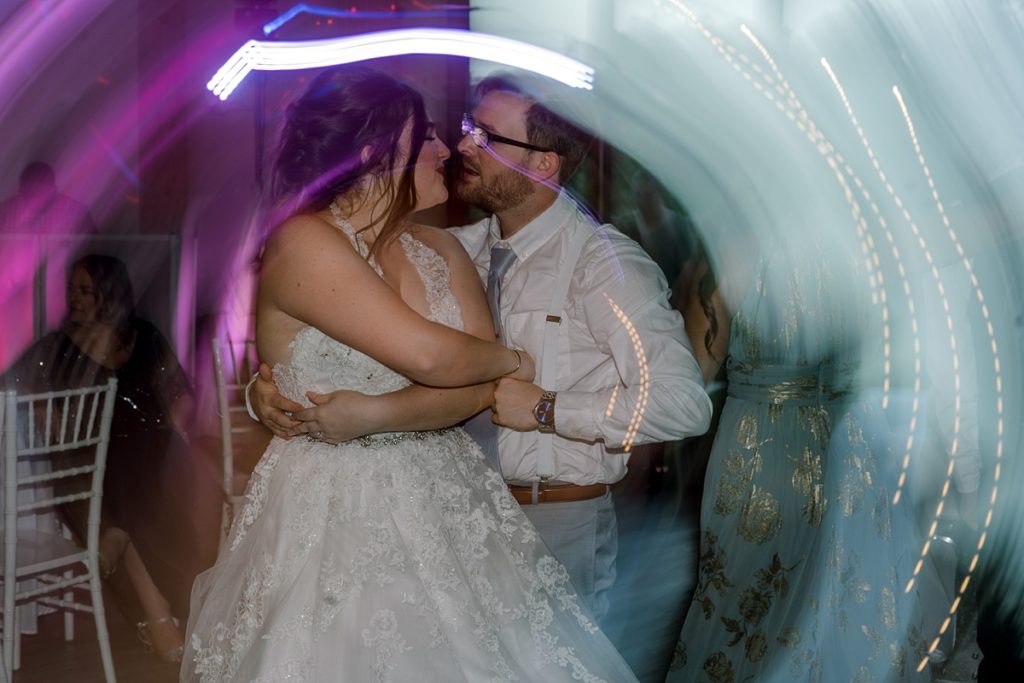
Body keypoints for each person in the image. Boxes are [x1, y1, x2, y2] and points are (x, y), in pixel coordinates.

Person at [181, 65, 639, 682]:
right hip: (335, 509)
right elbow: (435, 359)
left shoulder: (444, 248)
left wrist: (373, 413)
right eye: (425, 138)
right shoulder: (306, 241)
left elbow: (473, 388)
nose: (447, 150)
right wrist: (512, 358)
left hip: (447, 498)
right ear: (375, 153)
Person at [249, 75, 713, 629]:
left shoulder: (606, 266)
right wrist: (272, 388)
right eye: (470, 128)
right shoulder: (452, 247)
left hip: (554, 514)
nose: (463, 145)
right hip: (438, 515)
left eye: (488, 138)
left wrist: (549, 409)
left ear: (543, 165)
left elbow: (683, 402)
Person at [664, 240, 931, 682]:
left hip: (761, 454)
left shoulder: (734, 246)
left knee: (743, 613)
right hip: (856, 449)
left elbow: (689, 385)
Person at [3, 253, 207, 663]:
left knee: (161, 473)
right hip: (91, 463)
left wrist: (185, 421)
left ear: (109, 294)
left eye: (85, 290)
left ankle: (124, 543)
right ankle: (157, 615)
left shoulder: (144, 337)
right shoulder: (56, 347)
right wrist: (42, 402)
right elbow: (11, 385)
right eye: (71, 290)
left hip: (154, 451)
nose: (74, 299)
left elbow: (180, 392)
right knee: (128, 487)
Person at [0, 162, 97, 235]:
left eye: (40, 188)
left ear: (53, 187)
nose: (35, 195)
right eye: (31, 189)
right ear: (21, 187)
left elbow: (94, 247)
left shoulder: (75, 211)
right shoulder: (5, 211)